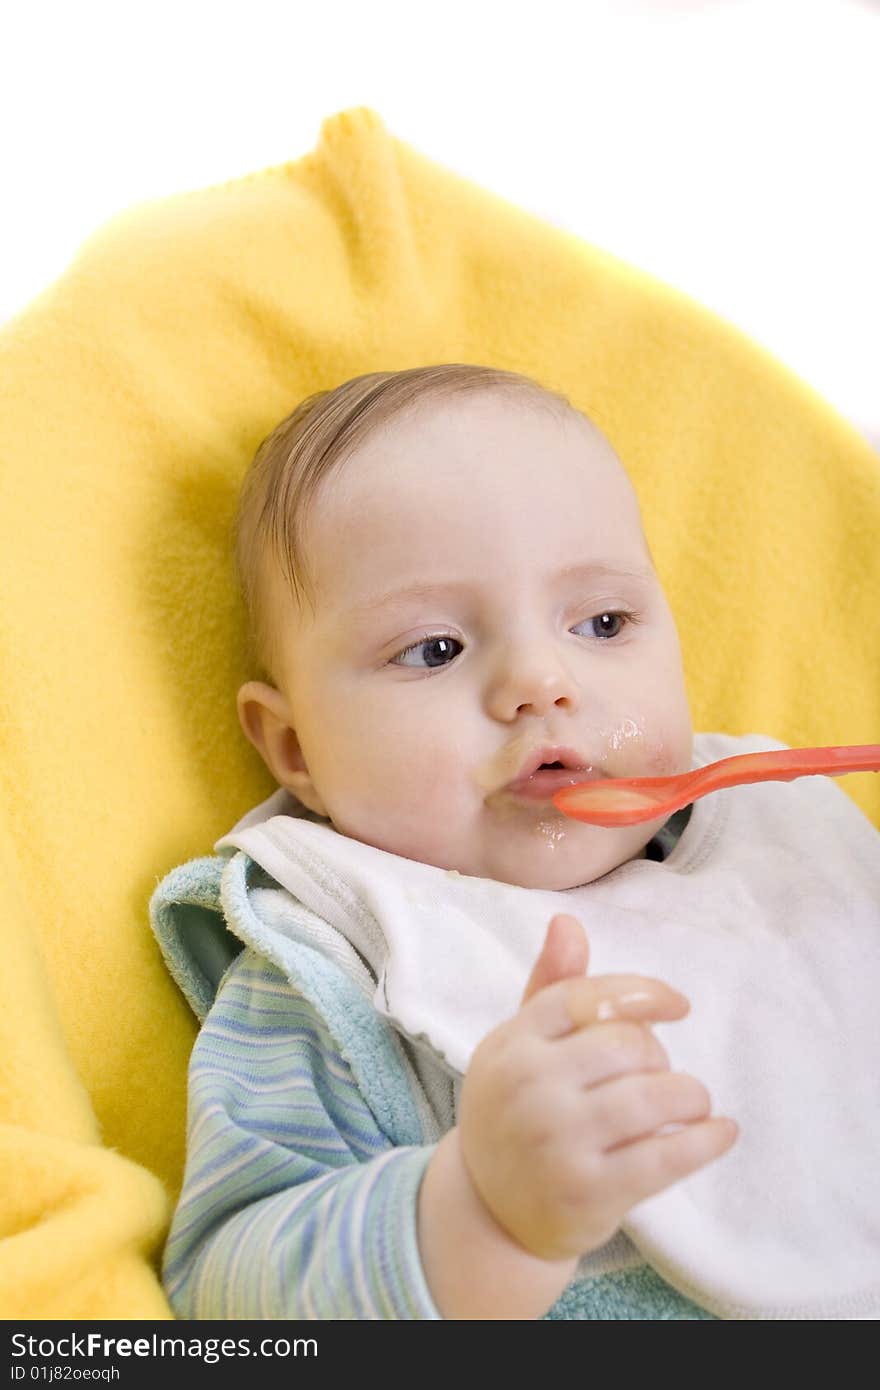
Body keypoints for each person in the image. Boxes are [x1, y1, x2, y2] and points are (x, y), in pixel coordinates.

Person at [150, 363, 880, 1320]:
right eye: (435, 650)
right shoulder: (340, 956)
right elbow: (224, 1297)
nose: (542, 679)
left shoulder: (786, 840)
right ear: (297, 749)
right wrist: (481, 1213)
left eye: (604, 622)